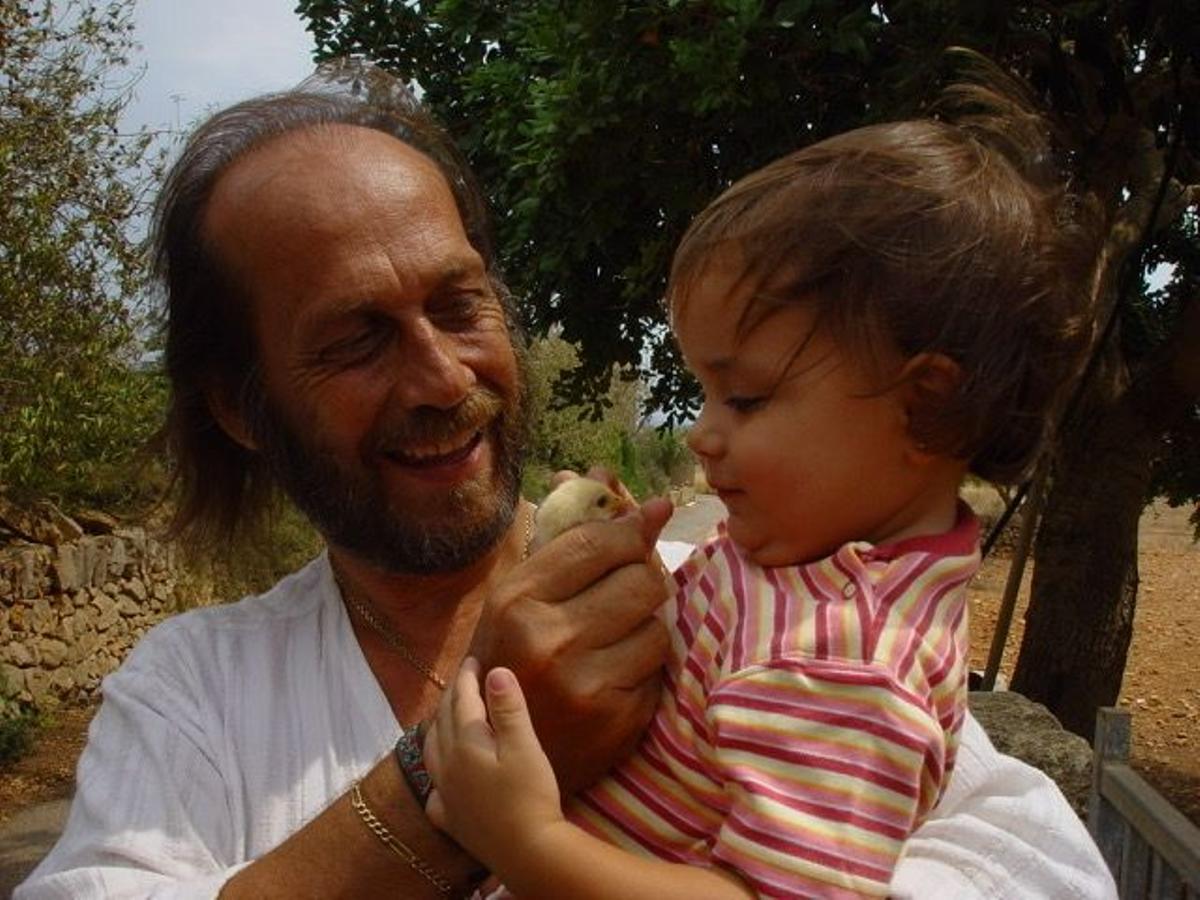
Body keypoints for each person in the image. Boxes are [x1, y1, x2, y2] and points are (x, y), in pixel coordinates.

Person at [16, 63, 1115, 899]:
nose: (444, 377)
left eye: (458, 304)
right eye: (355, 340)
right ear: (237, 406)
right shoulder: (195, 692)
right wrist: (437, 796)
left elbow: (1038, 866)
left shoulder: (753, 604)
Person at [419, 74, 1118, 899]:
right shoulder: (804, 563)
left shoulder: (841, 654)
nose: (703, 433)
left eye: (746, 397)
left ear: (923, 408)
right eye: (706, 394)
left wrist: (524, 839)